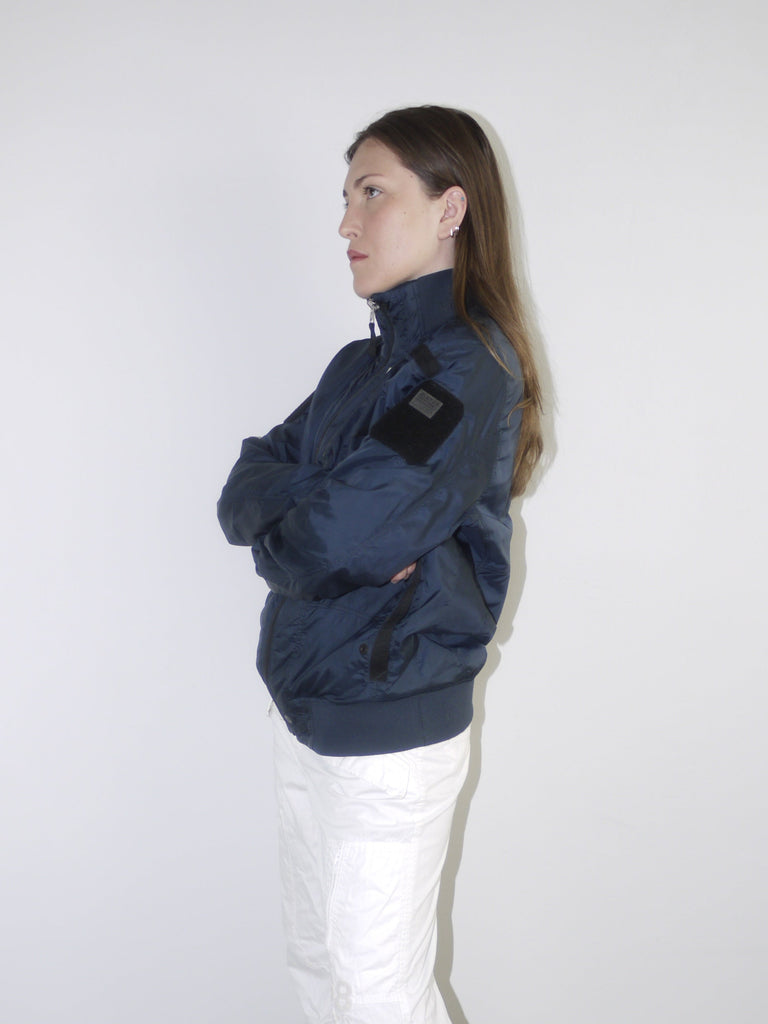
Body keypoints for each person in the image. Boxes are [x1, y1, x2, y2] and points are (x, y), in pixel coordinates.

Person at [217, 105, 543, 1024]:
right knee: (319, 972)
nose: (346, 224)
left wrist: (301, 524)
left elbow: (331, 541)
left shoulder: (464, 374)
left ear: (450, 209)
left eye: (373, 193)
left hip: (388, 737)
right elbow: (245, 481)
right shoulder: (354, 372)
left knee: (377, 997)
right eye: (346, 197)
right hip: (308, 711)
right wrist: (304, 510)